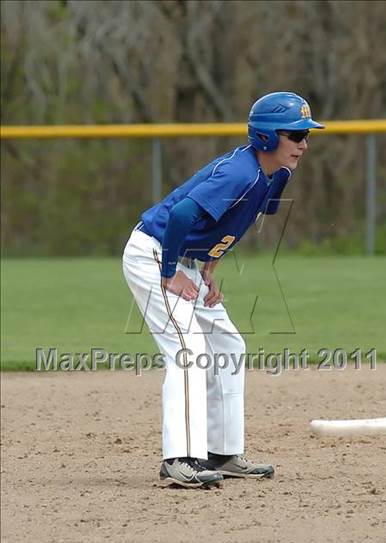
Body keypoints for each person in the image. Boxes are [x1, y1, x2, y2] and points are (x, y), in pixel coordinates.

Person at [122, 92, 324, 488]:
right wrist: (169, 273)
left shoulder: (277, 174)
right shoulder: (239, 172)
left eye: (307, 135)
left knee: (229, 345)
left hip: (186, 260)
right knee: (188, 350)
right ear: (267, 137)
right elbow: (182, 214)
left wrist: (208, 266)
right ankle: (180, 458)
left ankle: (223, 452)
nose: (304, 144)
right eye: (296, 135)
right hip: (154, 254)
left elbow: (238, 220)